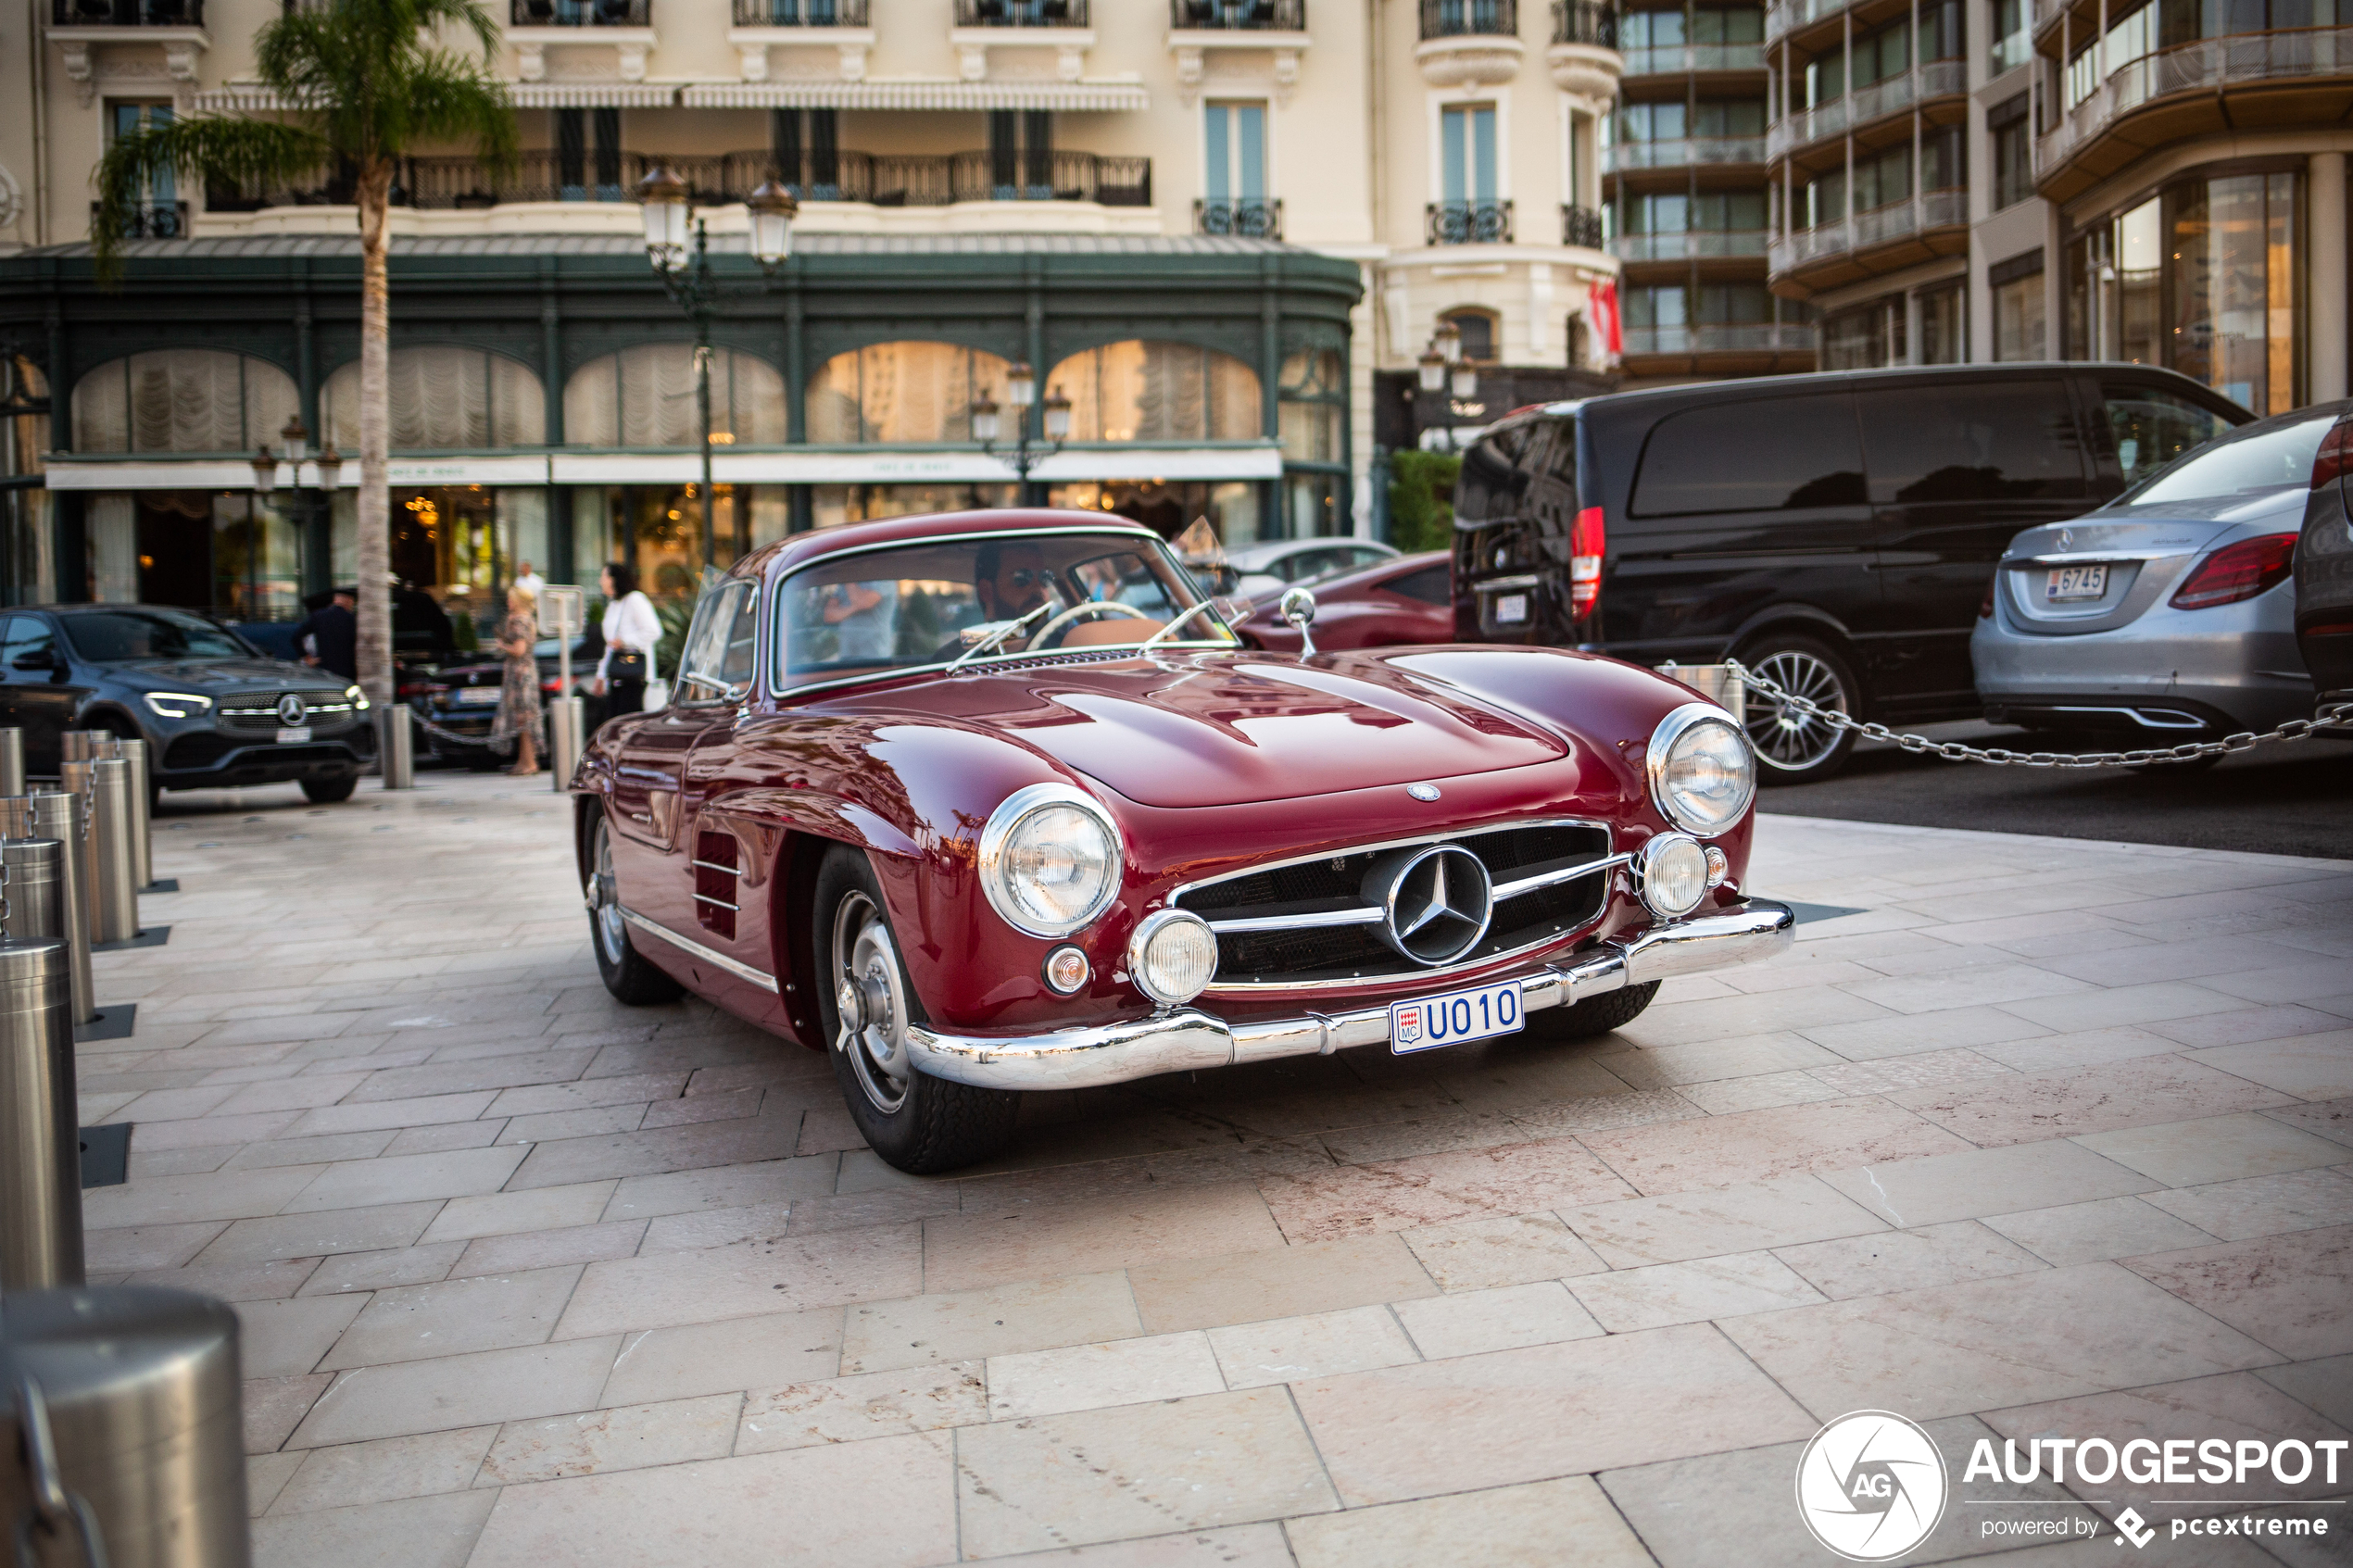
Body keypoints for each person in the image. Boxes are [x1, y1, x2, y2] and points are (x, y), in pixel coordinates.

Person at [490, 583, 544, 776]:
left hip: (519, 674)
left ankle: (529, 763)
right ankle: (524, 761)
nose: (508, 602)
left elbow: (519, 650)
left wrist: (502, 645)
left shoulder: (519, 621)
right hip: (527, 671)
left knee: (523, 718)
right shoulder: (527, 619)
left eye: (511, 599)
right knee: (524, 718)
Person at [595, 562, 661, 716]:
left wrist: (625, 641)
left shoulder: (635, 600)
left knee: (628, 719)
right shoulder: (613, 605)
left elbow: (653, 631)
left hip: (634, 675)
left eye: (603, 576)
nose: (600, 581)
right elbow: (610, 645)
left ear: (613, 579)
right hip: (617, 674)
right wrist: (601, 674)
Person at [290, 586, 358, 680]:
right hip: (348, 670)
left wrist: (307, 658)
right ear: (349, 600)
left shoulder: (318, 616)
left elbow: (296, 638)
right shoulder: (352, 619)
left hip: (324, 668)